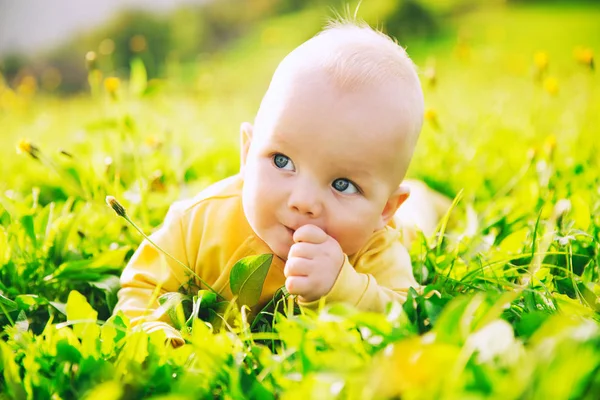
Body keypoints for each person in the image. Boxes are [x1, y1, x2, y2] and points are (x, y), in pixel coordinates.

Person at [114, 19, 449, 346]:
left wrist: (341, 288)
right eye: (282, 161)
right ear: (247, 153)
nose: (303, 201)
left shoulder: (374, 248)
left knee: (418, 228)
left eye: (343, 185)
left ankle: (420, 198)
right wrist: (152, 334)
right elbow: (140, 288)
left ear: (384, 209)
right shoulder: (199, 223)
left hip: (404, 228)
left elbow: (405, 316)